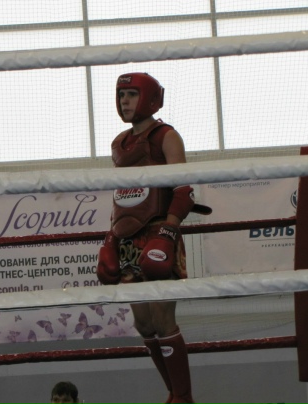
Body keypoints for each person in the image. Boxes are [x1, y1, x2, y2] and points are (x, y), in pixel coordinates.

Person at [97, 73, 210, 404]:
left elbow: (184, 191)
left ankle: (184, 397)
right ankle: (173, 393)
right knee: (144, 323)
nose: (125, 101)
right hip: (128, 238)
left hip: (160, 230)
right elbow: (121, 199)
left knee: (162, 318)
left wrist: (168, 231)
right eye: (121, 95)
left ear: (149, 97)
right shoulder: (119, 145)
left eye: (132, 94)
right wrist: (111, 239)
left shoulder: (166, 136)